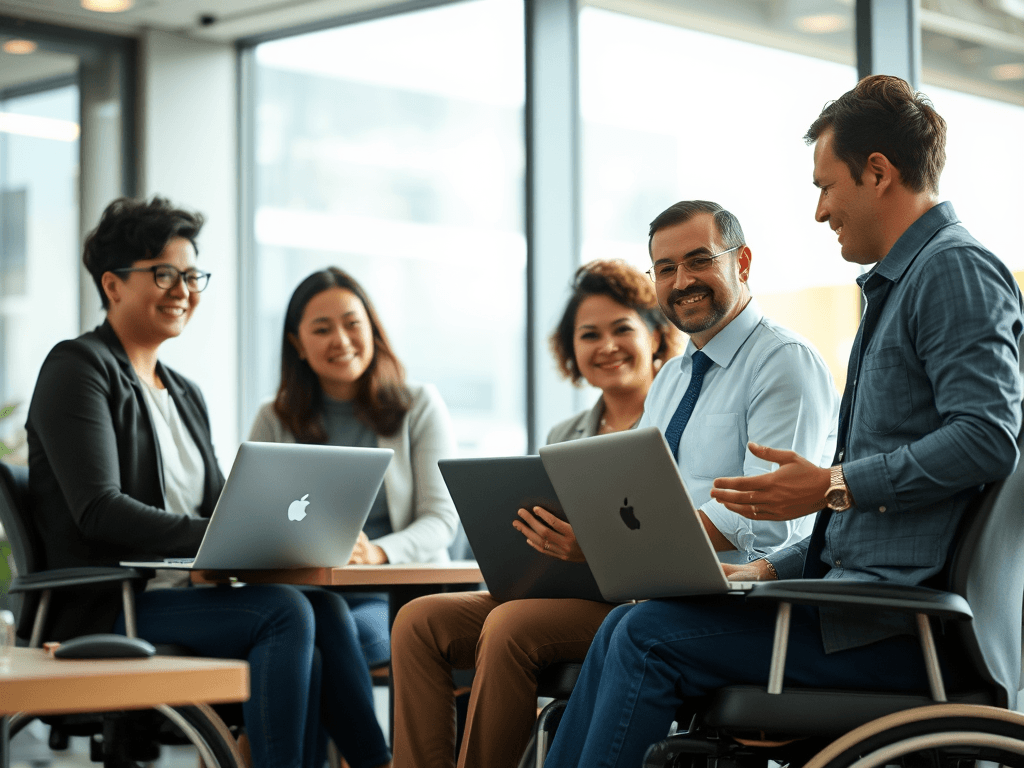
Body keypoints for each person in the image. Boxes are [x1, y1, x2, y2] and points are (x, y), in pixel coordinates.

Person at [542, 76, 1024, 768]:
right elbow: (864, 527)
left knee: (645, 634)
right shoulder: (900, 287)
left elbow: (987, 439)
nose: (822, 210)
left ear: (879, 174)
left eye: (827, 186)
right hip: (858, 609)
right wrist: (763, 568)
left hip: (897, 629)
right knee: (628, 622)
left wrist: (832, 485)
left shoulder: (954, 272)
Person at [391, 231, 839, 768]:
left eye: (699, 261)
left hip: (694, 593)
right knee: (419, 621)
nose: (682, 280)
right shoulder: (672, 381)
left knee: (511, 627)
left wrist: (602, 543)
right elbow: (640, 504)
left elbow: (768, 519)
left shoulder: (779, 360)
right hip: (618, 581)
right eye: (665, 268)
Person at [25, 197, 390, 768]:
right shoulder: (78, 369)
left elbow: (225, 503)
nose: (183, 290)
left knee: (323, 608)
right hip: (109, 603)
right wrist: (215, 538)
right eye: (164, 274)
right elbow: (100, 511)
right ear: (113, 285)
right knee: (286, 612)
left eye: (192, 275)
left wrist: (276, 531)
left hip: (183, 598)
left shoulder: (184, 391)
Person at [248, 267, 459, 668]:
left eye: (352, 324)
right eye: (322, 329)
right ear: (297, 343)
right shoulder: (273, 417)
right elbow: (257, 521)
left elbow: (441, 519)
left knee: (323, 642)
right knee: (297, 639)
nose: (341, 341)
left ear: (372, 330)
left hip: (392, 598)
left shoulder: (419, 406)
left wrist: (376, 552)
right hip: (303, 596)